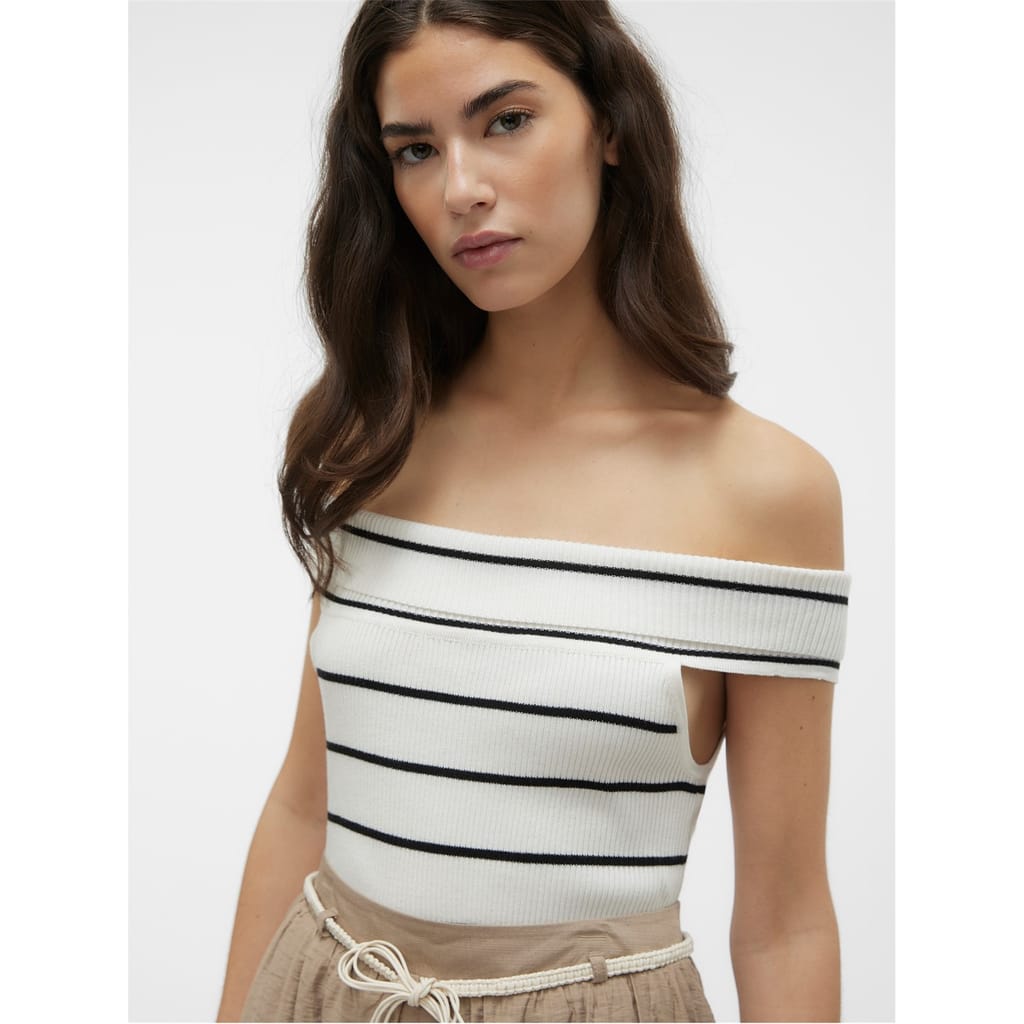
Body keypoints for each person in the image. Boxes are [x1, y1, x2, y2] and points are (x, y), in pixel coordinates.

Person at [216, 1, 851, 1021]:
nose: (460, 188)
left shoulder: (762, 491)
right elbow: (303, 798)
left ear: (611, 125)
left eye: (505, 121)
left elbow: (784, 919)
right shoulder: (370, 433)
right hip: (328, 990)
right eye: (416, 149)